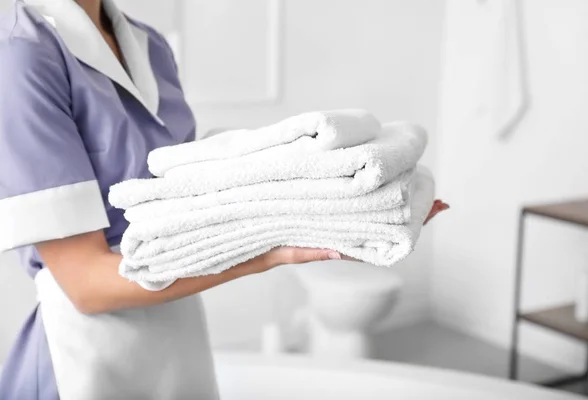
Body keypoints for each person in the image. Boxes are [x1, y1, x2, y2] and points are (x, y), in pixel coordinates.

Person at [0, 0, 449, 398]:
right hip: (84, 354)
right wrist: (275, 247)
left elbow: (186, 204)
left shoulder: (149, 45)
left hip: (179, 333)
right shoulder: (22, 55)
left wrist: (333, 207)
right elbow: (87, 287)